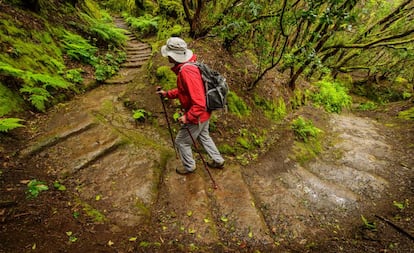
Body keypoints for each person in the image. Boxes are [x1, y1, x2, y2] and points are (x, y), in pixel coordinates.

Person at [156, 37, 225, 175]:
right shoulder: (191, 65)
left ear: (172, 56)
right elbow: (185, 91)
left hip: (198, 114)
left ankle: (189, 167)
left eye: (168, 54)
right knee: (204, 136)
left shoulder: (186, 71)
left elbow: (199, 102)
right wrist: (167, 94)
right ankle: (218, 160)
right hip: (205, 113)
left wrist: (187, 117)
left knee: (181, 141)